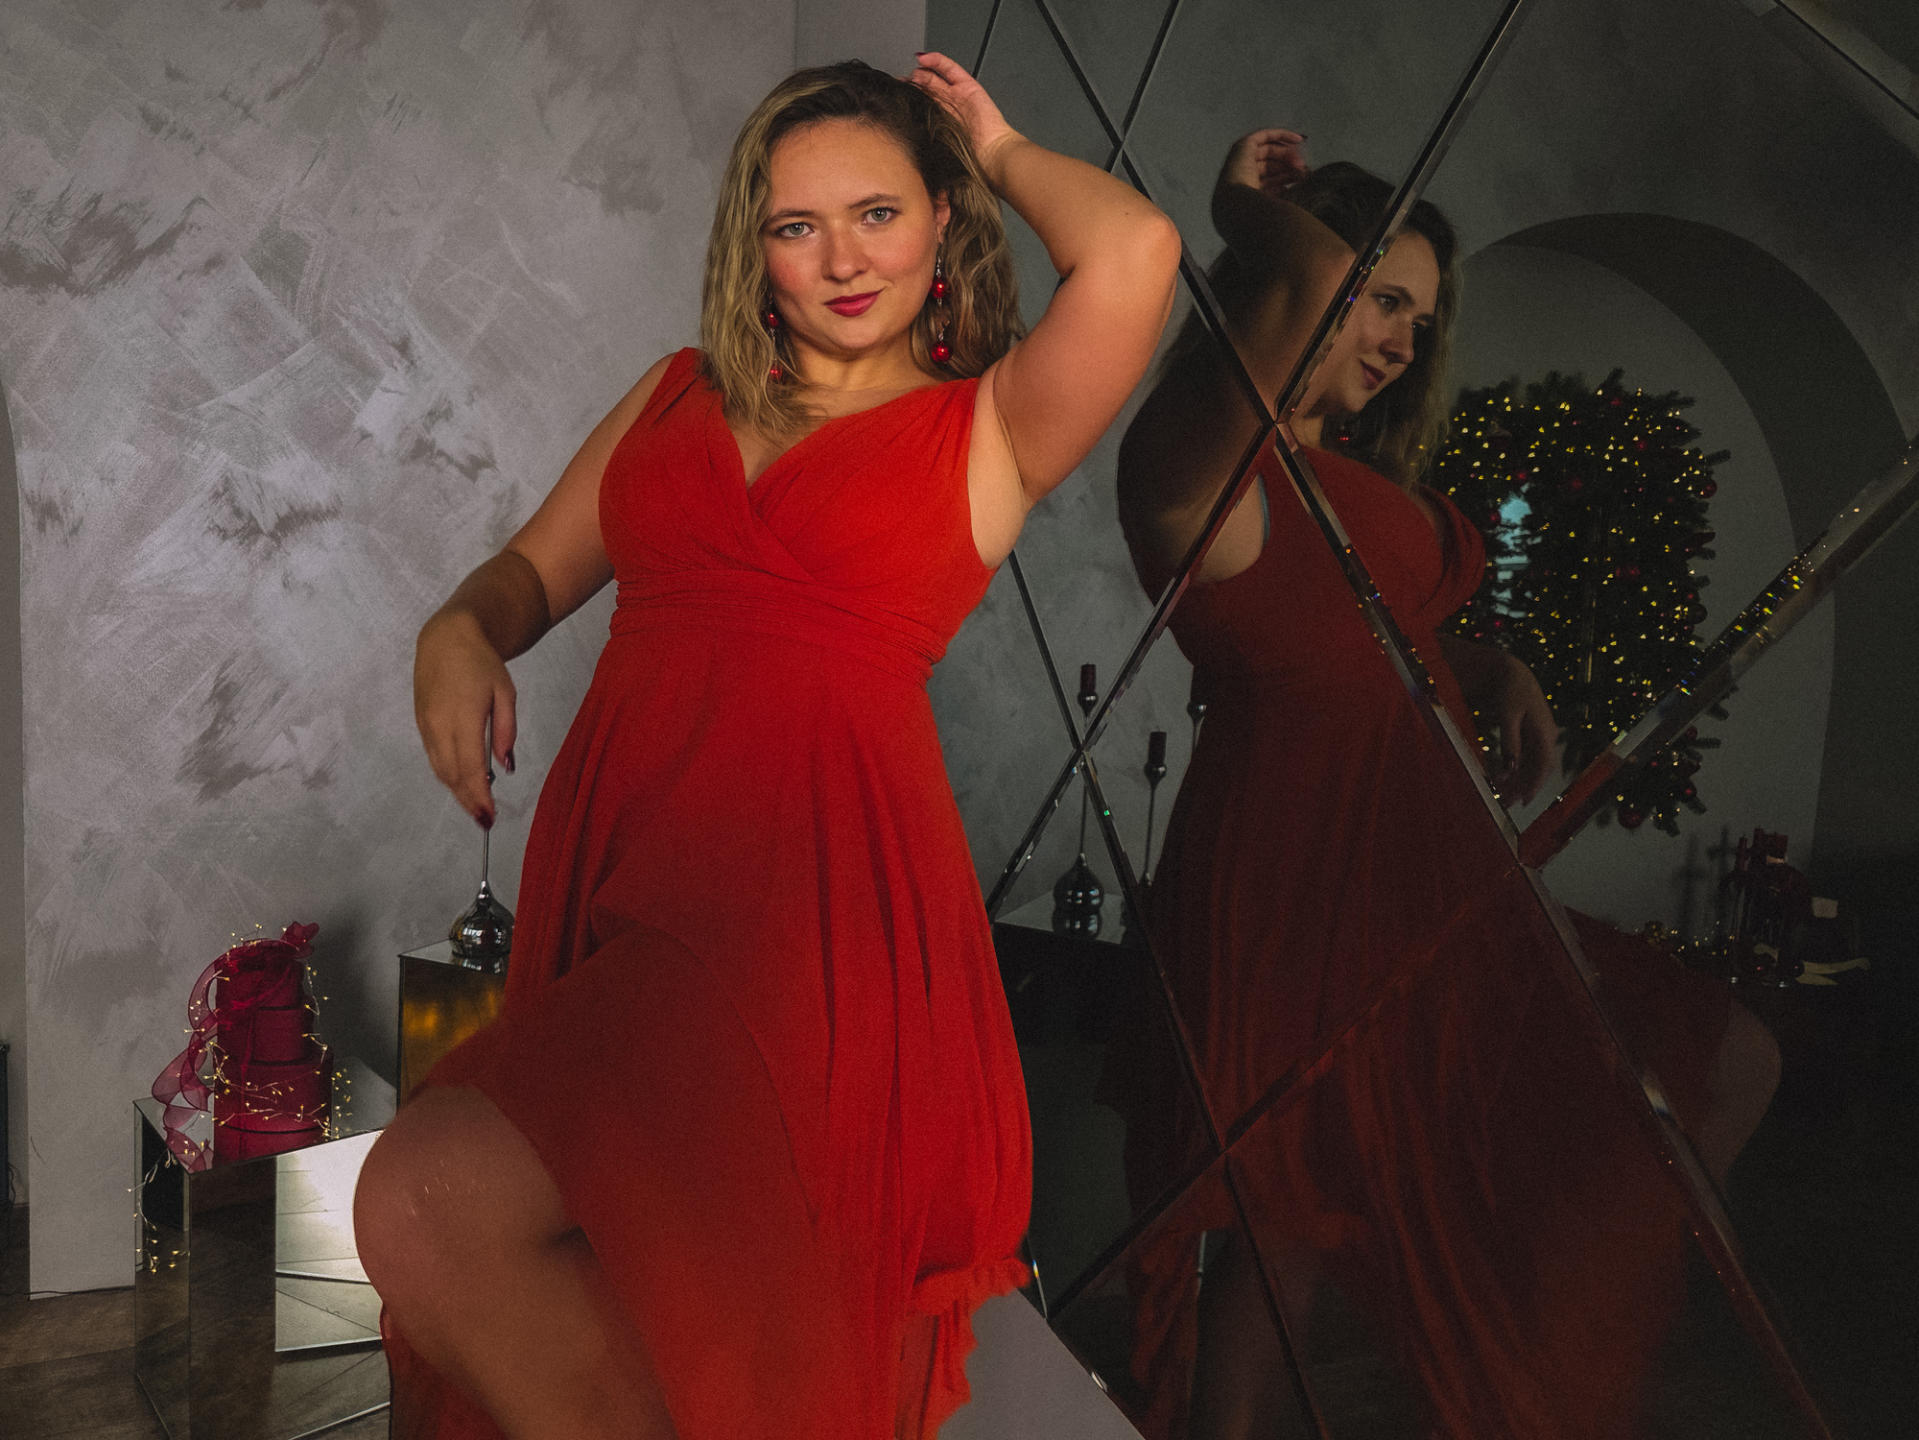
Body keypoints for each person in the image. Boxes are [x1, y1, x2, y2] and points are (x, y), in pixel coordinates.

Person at [352, 55, 1181, 1440]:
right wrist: (457, 628)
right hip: (628, 880)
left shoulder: (986, 427)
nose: (843, 260)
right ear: (757, 249)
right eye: (799, 226)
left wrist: (993, 145)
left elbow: (1138, 249)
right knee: (644, 1287)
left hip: (812, 929)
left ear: (944, 223)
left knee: (434, 1199)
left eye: (879, 214)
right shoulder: (674, 396)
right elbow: (527, 574)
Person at [1111, 131, 1777, 1438]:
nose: (1403, 343)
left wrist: (1492, 661)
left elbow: (1364, 628)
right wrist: (1246, 208)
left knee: (1725, 1060)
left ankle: (1507, 1341)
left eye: (1419, 317)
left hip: (1428, 875)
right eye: (1381, 298)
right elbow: (1297, 303)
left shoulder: (1353, 484)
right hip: (1298, 878)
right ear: (1297, 274)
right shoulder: (1201, 465)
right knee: (1284, 1224)